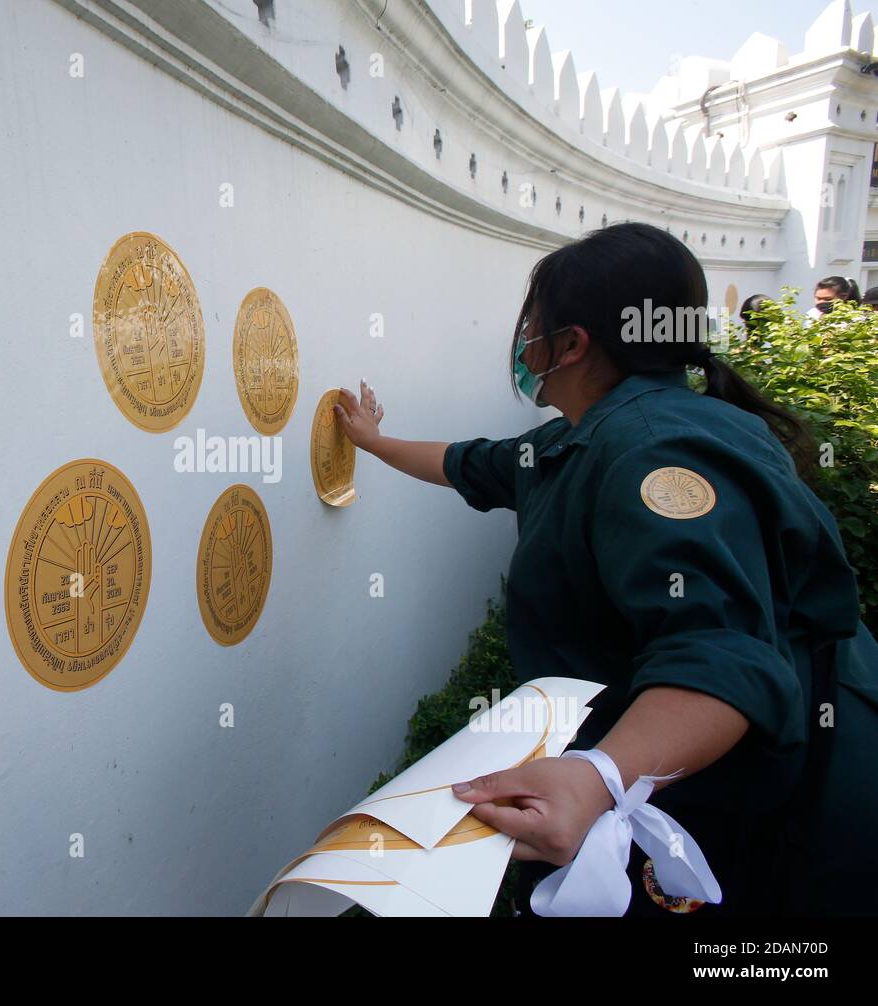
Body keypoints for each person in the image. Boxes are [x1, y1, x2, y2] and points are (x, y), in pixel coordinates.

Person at [335, 222, 878, 916]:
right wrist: (375, 443)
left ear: (571, 344)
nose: (523, 342)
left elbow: (719, 658)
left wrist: (598, 777)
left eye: (533, 324)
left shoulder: (654, 455)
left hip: (797, 805)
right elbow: (468, 463)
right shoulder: (585, 438)